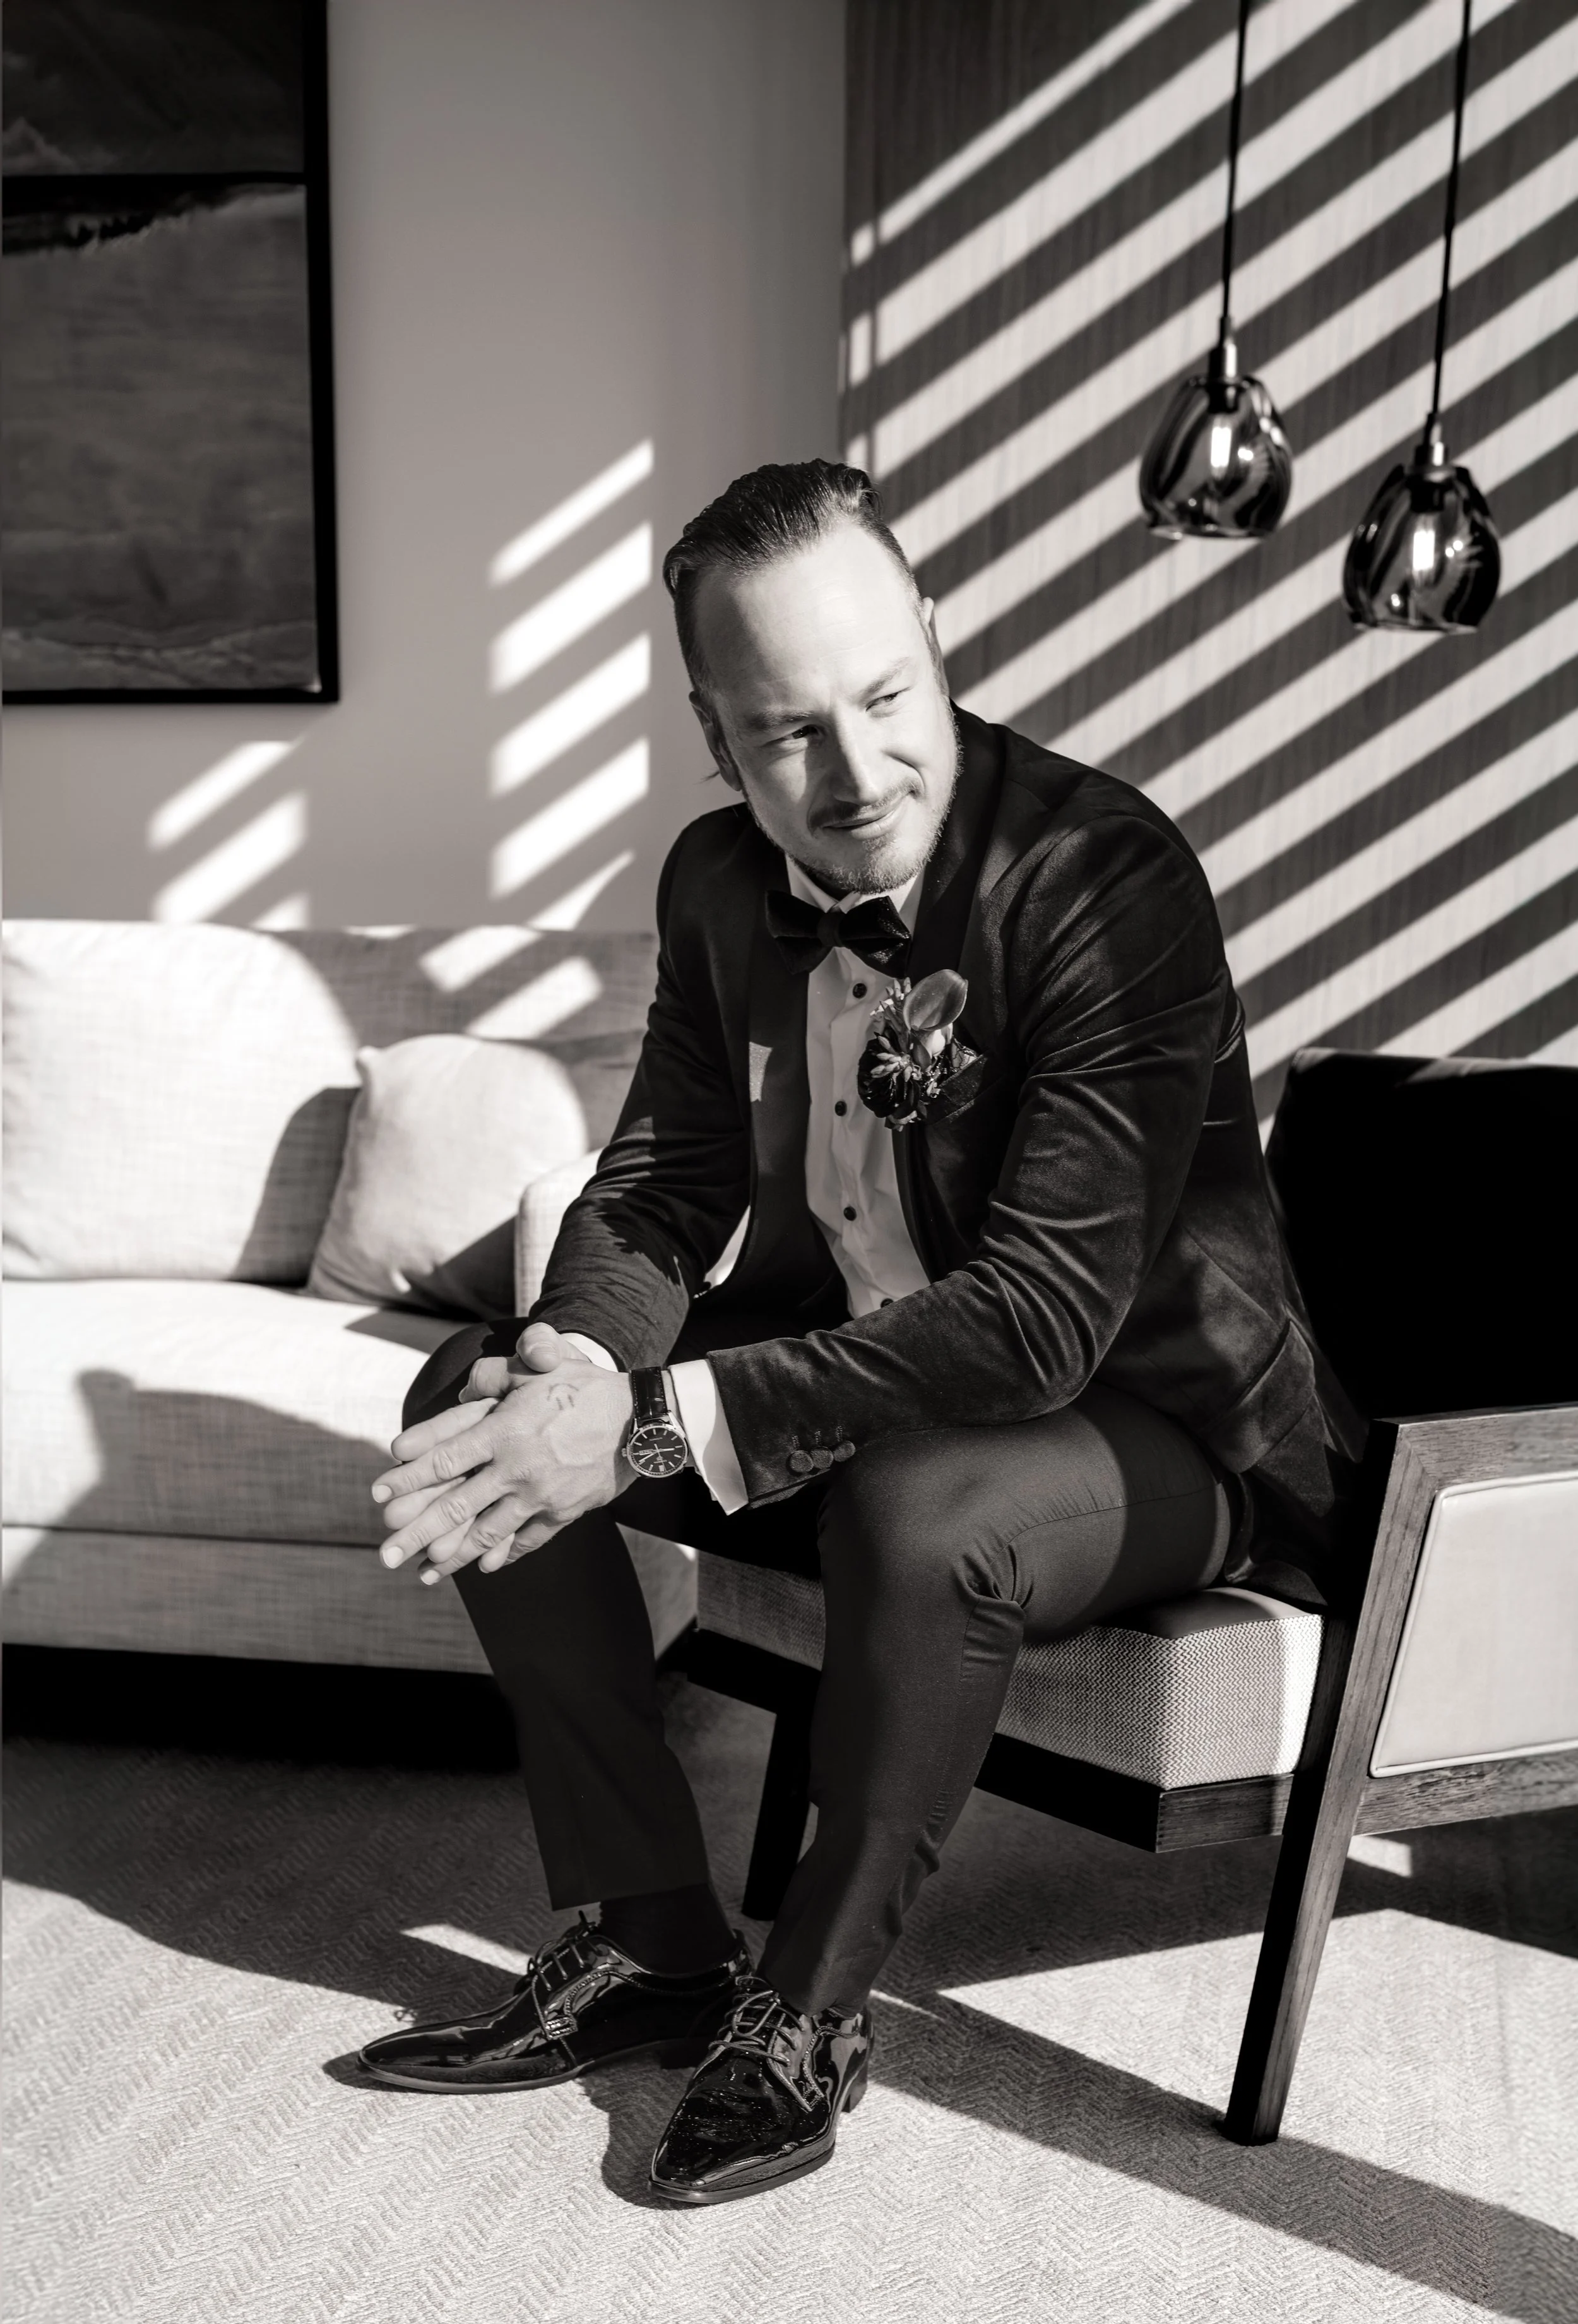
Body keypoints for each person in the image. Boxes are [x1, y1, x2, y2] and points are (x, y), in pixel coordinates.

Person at [355, 460, 1363, 2205]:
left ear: (934, 639)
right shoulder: (710, 885)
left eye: (884, 697)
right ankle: (650, 1934)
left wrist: (654, 1425)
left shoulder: (1096, 874)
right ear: (716, 737)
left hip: (1150, 1415)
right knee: (477, 1381)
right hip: (870, 1357)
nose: (852, 769)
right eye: (784, 732)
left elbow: (1040, 1318)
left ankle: (802, 2014)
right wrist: (584, 1368)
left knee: (920, 1505)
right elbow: (661, 1182)